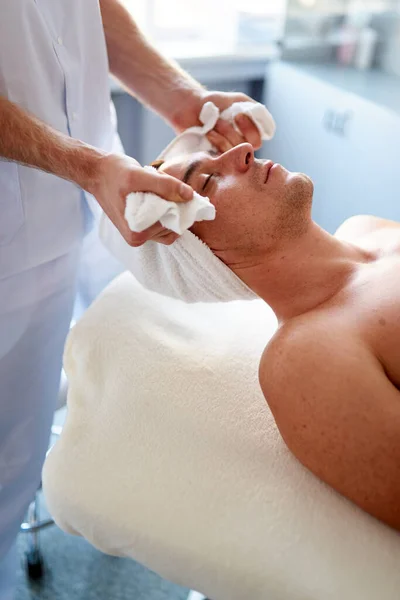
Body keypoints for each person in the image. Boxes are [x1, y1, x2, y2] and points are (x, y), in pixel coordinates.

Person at [0, 1, 263, 595]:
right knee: (9, 464)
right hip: (14, 236)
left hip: (100, 191)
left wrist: (184, 98)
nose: (242, 159)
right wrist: (86, 166)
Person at [156, 142, 400, 531]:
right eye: (209, 181)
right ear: (202, 255)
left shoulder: (367, 228)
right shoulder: (303, 356)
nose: (243, 150)